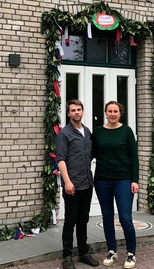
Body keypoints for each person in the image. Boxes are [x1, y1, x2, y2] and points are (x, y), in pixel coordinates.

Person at [92, 101, 139, 269]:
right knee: (107, 217)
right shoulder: (97, 132)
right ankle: (112, 251)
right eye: (110, 111)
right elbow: (90, 154)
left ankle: (131, 253)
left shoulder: (126, 131)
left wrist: (135, 180)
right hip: (102, 180)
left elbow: (134, 157)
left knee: (125, 218)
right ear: (105, 112)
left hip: (123, 180)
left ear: (120, 113)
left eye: (115, 111)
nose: (112, 114)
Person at [55, 99, 100, 269]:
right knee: (70, 221)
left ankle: (83, 253)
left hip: (87, 184)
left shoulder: (87, 132)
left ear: (82, 111)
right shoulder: (64, 134)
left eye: (79, 109)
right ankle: (67, 256)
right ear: (68, 113)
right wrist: (67, 181)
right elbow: (60, 159)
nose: (76, 112)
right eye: (73, 110)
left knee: (83, 219)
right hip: (72, 185)